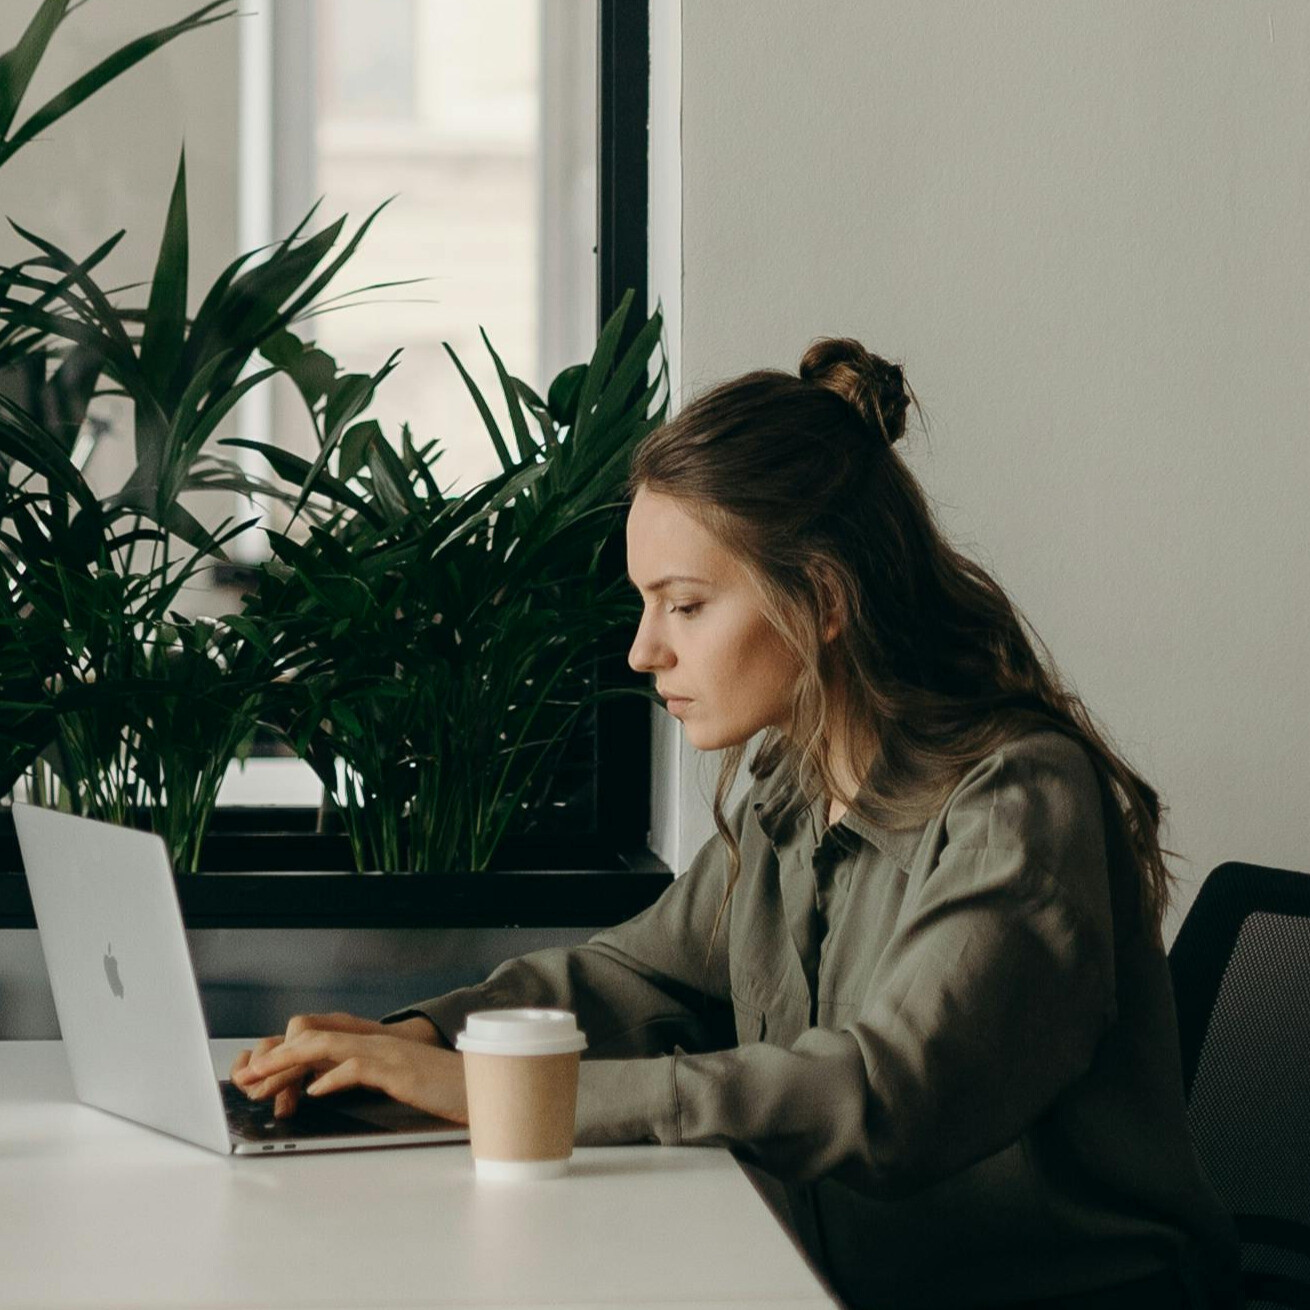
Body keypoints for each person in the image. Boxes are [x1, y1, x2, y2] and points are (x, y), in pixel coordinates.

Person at [232, 339, 1240, 1310]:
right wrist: (418, 1036)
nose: (640, 652)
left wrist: (489, 1088)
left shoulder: (1018, 802)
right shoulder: (794, 786)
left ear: (823, 597)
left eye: (683, 605)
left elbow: (884, 1094)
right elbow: (638, 976)